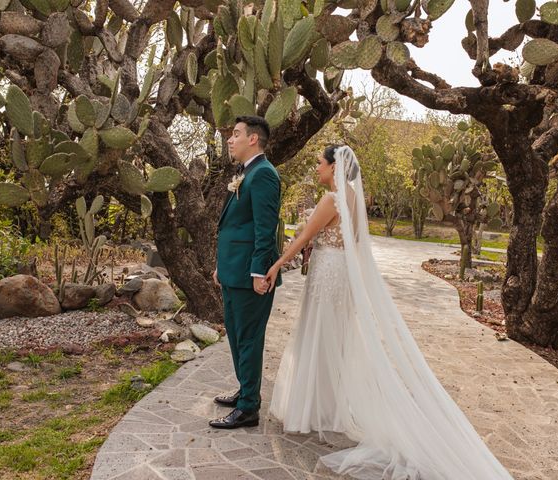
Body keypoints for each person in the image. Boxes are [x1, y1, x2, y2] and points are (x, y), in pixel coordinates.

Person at [263, 145, 513, 479]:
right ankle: (326, 409)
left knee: (318, 337)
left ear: (334, 166)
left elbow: (304, 237)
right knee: (333, 341)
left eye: (320, 164)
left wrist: (278, 264)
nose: (317, 170)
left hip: (327, 276)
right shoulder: (354, 199)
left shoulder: (331, 200)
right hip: (342, 278)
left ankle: (312, 410)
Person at [209, 116, 282, 429]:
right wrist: (221, 267)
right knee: (237, 336)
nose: (230, 139)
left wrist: (258, 272)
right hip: (232, 270)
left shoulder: (264, 174)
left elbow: (266, 230)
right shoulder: (245, 172)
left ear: (253, 139)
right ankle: (245, 390)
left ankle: (249, 408)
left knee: (249, 338)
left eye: (235, 134)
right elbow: (235, 226)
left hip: (251, 274)